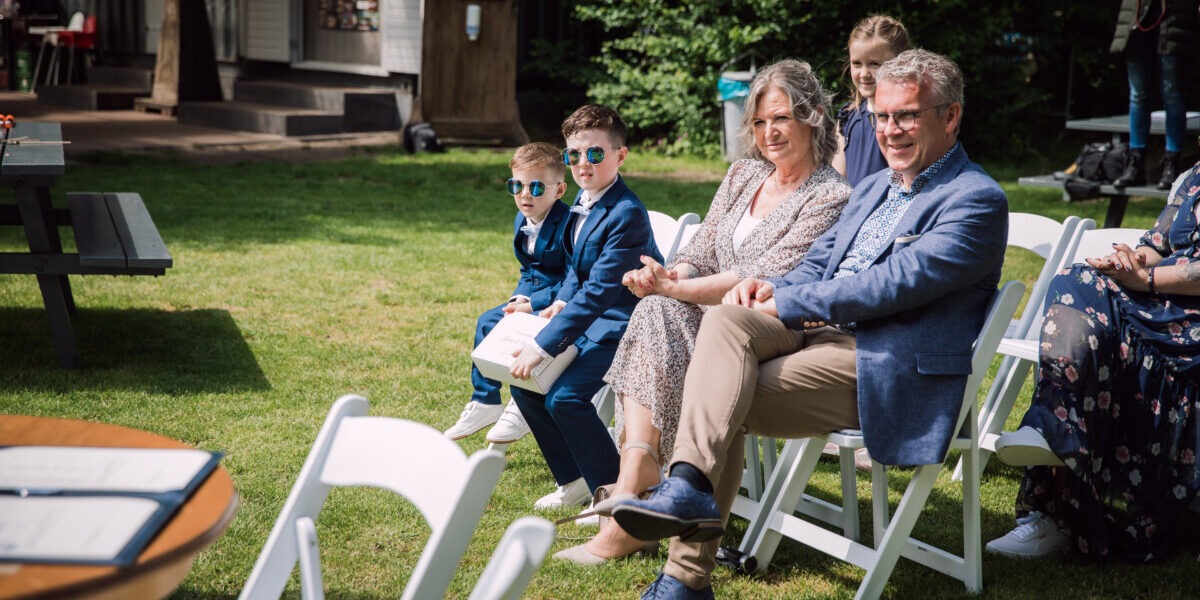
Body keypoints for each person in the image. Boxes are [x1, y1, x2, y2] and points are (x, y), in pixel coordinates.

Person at [609, 49, 1010, 599]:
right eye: (882, 117)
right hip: (816, 335)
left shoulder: (975, 199)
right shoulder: (874, 188)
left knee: (719, 388)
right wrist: (773, 287)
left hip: (881, 360)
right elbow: (820, 263)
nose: (891, 131)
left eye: (907, 116)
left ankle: (682, 577)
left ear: (951, 115)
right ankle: (685, 488)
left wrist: (787, 304)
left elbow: (890, 285)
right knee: (726, 321)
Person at [553, 59, 852, 565]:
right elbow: (705, 248)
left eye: (780, 118)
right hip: (710, 314)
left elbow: (757, 277)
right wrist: (669, 276)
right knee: (653, 312)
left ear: (814, 116)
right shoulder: (743, 173)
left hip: (773, 323)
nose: (769, 132)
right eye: (759, 122)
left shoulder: (830, 196)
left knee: (667, 310)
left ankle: (634, 510)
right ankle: (638, 475)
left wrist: (674, 287)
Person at [987, 159, 1200, 561]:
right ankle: (1051, 439)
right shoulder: (1194, 176)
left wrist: (1146, 280)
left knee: (1094, 320)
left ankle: (1052, 439)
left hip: (1190, 326)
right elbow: (1156, 245)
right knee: (1076, 278)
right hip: (1161, 307)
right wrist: (1128, 261)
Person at [508, 104, 663, 510]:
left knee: (565, 399)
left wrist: (543, 345)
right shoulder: (584, 199)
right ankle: (574, 478)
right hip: (588, 321)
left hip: (626, 326)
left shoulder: (625, 213)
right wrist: (559, 303)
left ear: (620, 156)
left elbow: (599, 292)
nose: (582, 164)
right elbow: (578, 268)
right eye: (573, 155)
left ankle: (613, 494)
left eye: (595, 154)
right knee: (525, 383)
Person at [443, 143, 570, 442]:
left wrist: (534, 304)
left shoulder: (568, 225)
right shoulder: (521, 220)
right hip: (533, 297)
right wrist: (519, 298)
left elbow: (572, 278)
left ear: (559, 190)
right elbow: (528, 270)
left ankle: (523, 403)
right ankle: (485, 400)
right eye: (517, 185)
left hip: (559, 302)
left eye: (536, 187)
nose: (525, 194)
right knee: (488, 321)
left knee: (528, 330)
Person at [1109, 0, 1199, 189]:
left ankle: (1172, 165)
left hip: (1174, 18)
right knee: (1137, 95)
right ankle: (1135, 164)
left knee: (1172, 95)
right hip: (1137, 17)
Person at [831, 14, 911, 187]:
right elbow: (837, 180)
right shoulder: (847, 117)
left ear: (900, 63)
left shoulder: (907, 120)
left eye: (875, 64)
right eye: (857, 63)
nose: (864, 73)